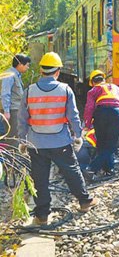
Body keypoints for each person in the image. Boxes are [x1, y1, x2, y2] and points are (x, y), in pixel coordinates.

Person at [18, 52, 98, 225]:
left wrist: (23, 141)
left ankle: (42, 215)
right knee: (72, 171)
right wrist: (78, 135)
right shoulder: (65, 90)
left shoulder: (29, 91)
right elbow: (73, 116)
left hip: (36, 144)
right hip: (60, 142)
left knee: (40, 179)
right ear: (58, 71)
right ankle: (84, 202)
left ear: (41, 70)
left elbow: (22, 119)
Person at [83, 69, 119, 180]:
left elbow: (89, 108)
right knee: (110, 145)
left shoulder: (94, 90)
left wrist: (87, 124)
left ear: (92, 82)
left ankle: (92, 168)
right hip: (117, 113)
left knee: (101, 143)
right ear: (103, 79)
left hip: (101, 113)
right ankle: (109, 169)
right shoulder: (117, 88)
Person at [0, 54, 31, 145]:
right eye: (27, 65)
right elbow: (5, 93)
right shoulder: (10, 75)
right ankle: (11, 157)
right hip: (11, 110)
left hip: (15, 109)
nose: (27, 68)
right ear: (20, 64)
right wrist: (6, 111)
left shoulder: (16, 75)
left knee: (15, 134)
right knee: (12, 135)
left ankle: (14, 156)